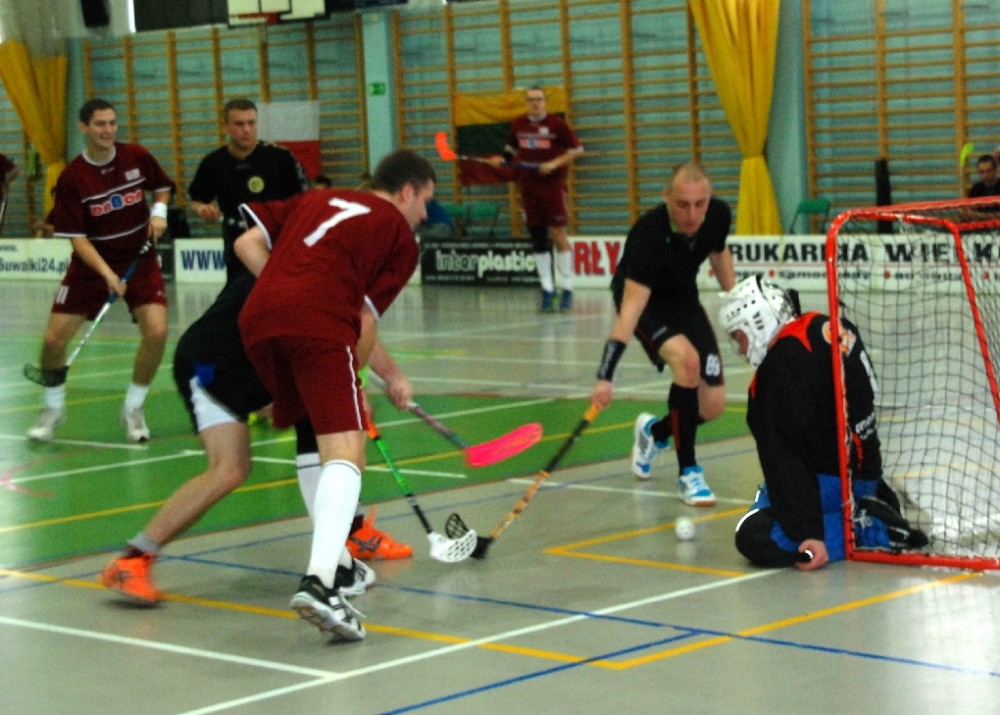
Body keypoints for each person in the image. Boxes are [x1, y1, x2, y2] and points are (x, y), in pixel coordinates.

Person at [98, 267, 413, 604]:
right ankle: (131, 561)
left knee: (325, 427)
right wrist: (342, 389)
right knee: (231, 468)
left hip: (251, 361)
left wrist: (390, 377)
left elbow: (358, 324)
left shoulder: (331, 271)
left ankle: (349, 537)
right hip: (215, 364)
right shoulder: (305, 270)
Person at [237, 148, 435, 642]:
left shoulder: (315, 199)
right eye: (426, 201)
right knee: (348, 444)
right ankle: (320, 583)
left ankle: (340, 566)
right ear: (405, 192)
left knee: (315, 431)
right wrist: (357, 379)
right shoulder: (398, 234)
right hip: (318, 325)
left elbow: (246, 243)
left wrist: (288, 287)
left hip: (259, 318)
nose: (425, 214)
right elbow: (363, 320)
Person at [720, 275, 927, 571]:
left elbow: (785, 457)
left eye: (740, 337)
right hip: (862, 469)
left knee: (754, 535)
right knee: (768, 498)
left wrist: (809, 532)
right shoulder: (823, 326)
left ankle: (865, 527)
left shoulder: (778, 370)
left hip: (829, 478)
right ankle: (870, 499)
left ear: (757, 320)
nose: (741, 349)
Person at [26, 99, 172, 443]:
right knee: (53, 340)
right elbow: (77, 239)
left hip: (139, 258)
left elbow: (162, 187)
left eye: (112, 123)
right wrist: (107, 275)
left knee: (157, 332)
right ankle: (52, 409)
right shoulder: (72, 178)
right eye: (100, 124)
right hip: (91, 265)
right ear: (84, 128)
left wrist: (159, 213)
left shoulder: (136, 156)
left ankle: (133, 409)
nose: (108, 130)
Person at [590, 162, 734, 506]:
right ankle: (689, 473)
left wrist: (735, 299)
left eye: (700, 204)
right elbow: (630, 311)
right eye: (683, 204)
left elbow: (718, 252)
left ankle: (654, 433)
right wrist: (605, 375)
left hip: (684, 299)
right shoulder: (648, 235)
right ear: (666, 197)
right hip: (645, 303)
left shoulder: (717, 215)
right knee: (687, 362)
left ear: (709, 199)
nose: (692, 214)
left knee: (713, 405)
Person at [188, 98, 308, 285]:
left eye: (251, 123)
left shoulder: (281, 158)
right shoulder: (213, 163)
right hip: (237, 245)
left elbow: (304, 200)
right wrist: (203, 209)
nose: (246, 130)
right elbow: (197, 199)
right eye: (239, 124)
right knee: (240, 298)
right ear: (225, 126)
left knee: (280, 292)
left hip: (279, 242)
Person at [488, 85, 583, 313]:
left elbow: (577, 150)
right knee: (538, 238)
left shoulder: (557, 125)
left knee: (558, 234)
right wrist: (500, 161)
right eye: (531, 99)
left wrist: (554, 163)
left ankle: (567, 288)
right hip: (529, 188)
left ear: (545, 102)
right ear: (526, 102)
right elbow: (509, 153)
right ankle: (547, 290)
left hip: (553, 186)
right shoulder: (518, 125)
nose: (535, 103)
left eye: (539, 99)